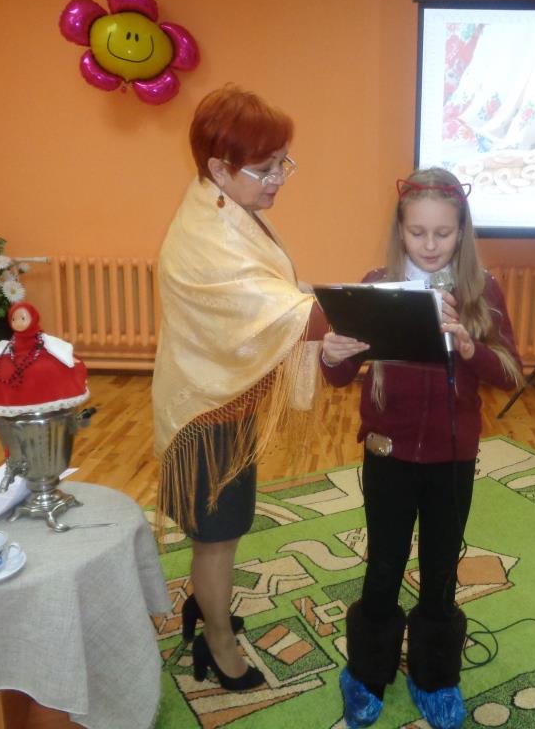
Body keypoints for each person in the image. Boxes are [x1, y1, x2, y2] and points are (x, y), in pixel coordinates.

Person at [320, 167, 522, 729]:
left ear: (463, 231)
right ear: (399, 230)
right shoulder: (377, 285)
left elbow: (510, 373)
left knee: (440, 572)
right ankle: (366, 673)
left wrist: (469, 347)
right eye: (417, 232)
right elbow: (339, 376)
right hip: (388, 455)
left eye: (443, 233)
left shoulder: (482, 291)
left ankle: (434, 676)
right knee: (383, 567)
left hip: (452, 460)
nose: (430, 245)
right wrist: (332, 355)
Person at [152, 85, 324, 692]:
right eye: (265, 167)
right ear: (220, 168)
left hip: (227, 398)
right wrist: (376, 313)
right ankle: (216, 641)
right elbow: (279, 314)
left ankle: (207, 607)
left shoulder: (222, 204)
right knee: (217, 538)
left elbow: (276, 301)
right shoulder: (210, 238)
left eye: (283, 162)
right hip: (207, 410)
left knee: (226, 526)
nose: (279, 179)